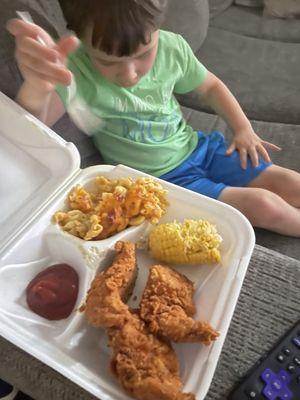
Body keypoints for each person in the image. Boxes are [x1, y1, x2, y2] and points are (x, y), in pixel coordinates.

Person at [6, 0, 300, 237]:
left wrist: (242, 128)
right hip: (163, 182)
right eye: (108, 62)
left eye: (144, 54)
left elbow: (210, 86)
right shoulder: (75, 71)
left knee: (288, 182)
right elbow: (34, 129)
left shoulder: (173, 49)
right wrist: (37, 87)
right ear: (78, 36)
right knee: (263, 205)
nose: (130, 75)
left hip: (199, 148)